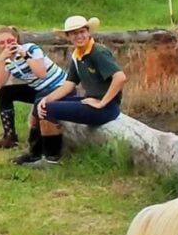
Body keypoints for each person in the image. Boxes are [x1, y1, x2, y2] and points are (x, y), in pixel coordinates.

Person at [18, 16, 127, 166]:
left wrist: (102, 103)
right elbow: (69, 85)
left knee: (49, 110)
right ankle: (35, 153)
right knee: (40, 104)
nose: (79, 36)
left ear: (88, 32)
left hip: (106, 108)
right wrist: (46, 99)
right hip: (91, 101)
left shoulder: (98, 52)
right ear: (68, 37)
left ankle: (51, 159)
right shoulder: (78, 54)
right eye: (74, 33)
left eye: (82, 31)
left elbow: (120, 78)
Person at [0, 26, 68, 149]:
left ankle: (35, 146)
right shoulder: (7, 60)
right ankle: (9, 136)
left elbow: (41, 74)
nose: (7, 45)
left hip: (59, 87)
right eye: (2, 43)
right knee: (4, 93)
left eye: (10, 41)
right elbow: (0, 83)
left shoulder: (31, 49)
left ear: (16, 38)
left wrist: (25, 55)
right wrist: (1, 61)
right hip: (39, 89)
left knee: (39, 102)